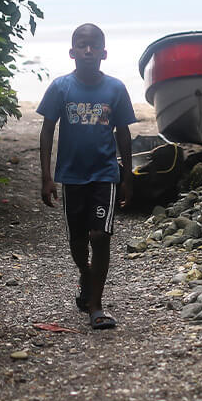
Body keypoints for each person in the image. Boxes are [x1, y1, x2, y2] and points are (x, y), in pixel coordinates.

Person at [37, 23, 136, 330]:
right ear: (72, 52)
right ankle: (85, 271)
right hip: (71, 175)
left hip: (104, 174)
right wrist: (46, 177)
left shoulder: (116, 88)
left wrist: (127, 176)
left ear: (104, 53)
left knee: (100, 236)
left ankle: (96, 305)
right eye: (82, 45)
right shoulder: (60, 88)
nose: (88, 50)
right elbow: (47, 130)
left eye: (94, 46)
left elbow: (123, 133)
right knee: (78, 241)